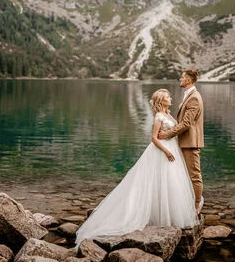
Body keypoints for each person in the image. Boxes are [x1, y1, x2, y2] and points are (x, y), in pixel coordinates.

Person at [75, 89, 198, 247]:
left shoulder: (168, 115)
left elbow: (172, 132)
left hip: (172, 149)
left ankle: (168, 216)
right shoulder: (159, 116)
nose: (170, 98)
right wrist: (166, 151)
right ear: (161, 100)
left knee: (170, 182)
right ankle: (155, 217)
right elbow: (153, 138)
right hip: (162, 151)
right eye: (167, 97)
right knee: (158, 181)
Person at [158, 69, 204, 215]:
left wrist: (167, 135)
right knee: (184, 174)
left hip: (190, 143)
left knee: (194, 175)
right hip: (183, 142)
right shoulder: (189, 96)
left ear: (189, 80)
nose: (180, 78)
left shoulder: (194, 98)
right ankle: (186, 203)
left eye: (183, 77)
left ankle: (197, 206)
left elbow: (186, 123)